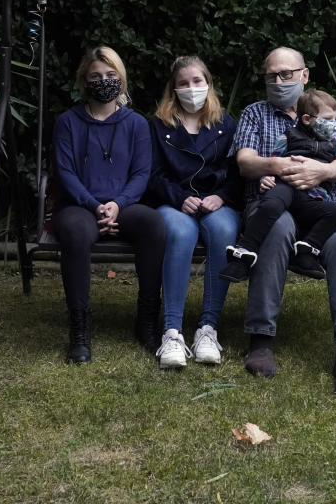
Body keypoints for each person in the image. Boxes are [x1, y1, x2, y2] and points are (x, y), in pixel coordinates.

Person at [230, 47, 336, 395]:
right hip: (274, 203)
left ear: (305, 74)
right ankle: (260, 339)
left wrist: (322, 171)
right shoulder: (255, 113)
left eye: (286, 74)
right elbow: (245, 162)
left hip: (326, 204)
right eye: (272, 76)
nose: (279, 81)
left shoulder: (328, 111)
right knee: (277, 227)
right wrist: (276, 166)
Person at [52, 46, 165, 364]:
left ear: (122, 80)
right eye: (96, 76)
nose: (104, 81)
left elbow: (142, 172)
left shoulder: (137, 124)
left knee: (154, 224)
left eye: (111, 75)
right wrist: (94, 205)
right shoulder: (67, 122)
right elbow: (65, 172)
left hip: (124, 204)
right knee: (74, 230)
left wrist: (117, 204)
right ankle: (79, 328)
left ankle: (146, 320)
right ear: (83, 81)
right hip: (79, 205)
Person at [221, 89, 336, 282]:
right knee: (271, 204)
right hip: (285, 188)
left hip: (308, 197)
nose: (334, 125)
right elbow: (273, 160)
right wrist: (264, 178)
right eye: (328, 119)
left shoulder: (333, 146)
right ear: (307, 119)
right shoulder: (287, 137)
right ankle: (243, 254)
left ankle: (306, 249)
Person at [144, 56, 241, 369]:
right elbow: (152, 174)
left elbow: (237, 171)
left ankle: (207, 329)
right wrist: (179, 197)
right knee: (181, 232)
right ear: (173, 88)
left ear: (208, 84)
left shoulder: (226, 124)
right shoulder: (158, 125)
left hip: (215, 202)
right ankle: (172, 331)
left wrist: (222, 196)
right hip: (174, 202)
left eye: (197, 81)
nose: (191, 88)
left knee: (225, 231)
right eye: (183, 83)